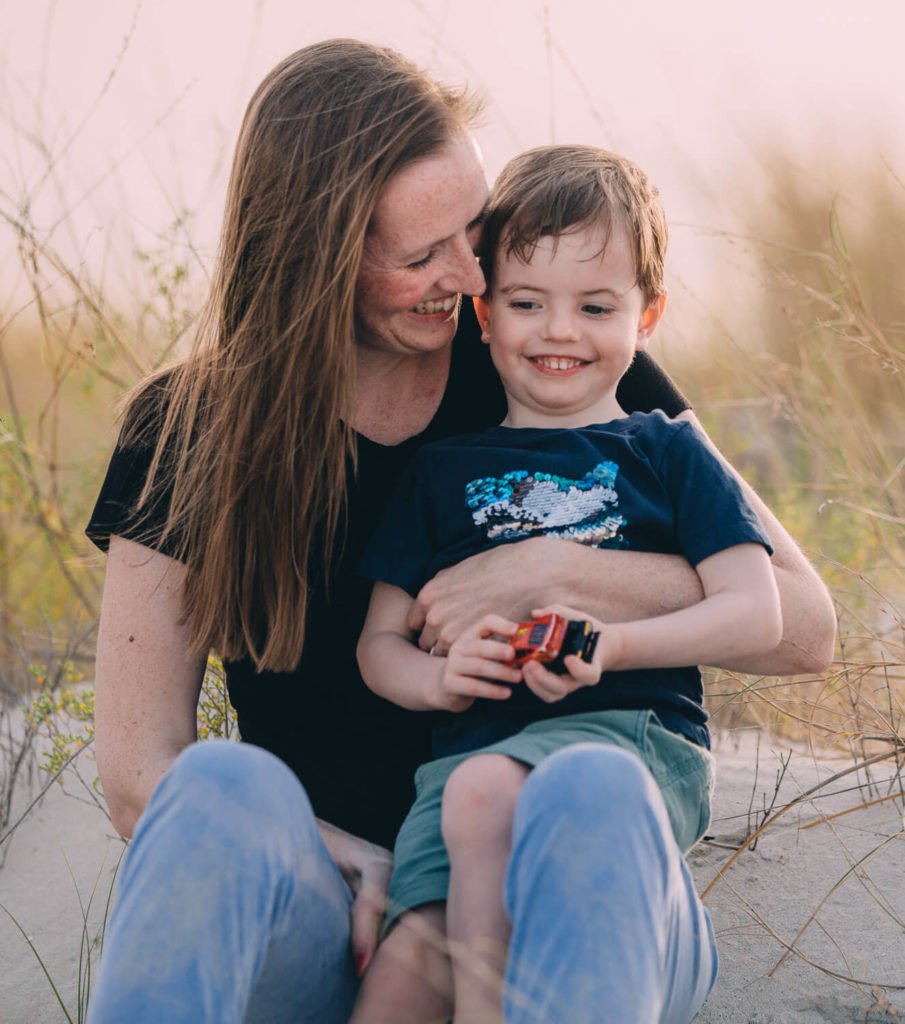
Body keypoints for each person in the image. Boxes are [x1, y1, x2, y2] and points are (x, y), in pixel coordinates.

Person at [83, 39, 835, 1024]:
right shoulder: (188, 431)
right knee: (222, 784)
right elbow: (143, 777)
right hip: (343, 917)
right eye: (423, 254)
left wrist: (551, 566)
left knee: (593, 791)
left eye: (474, 229)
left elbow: (802, 625)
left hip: (573, 909)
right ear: (319, 259)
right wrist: (363, 865)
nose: (474, 272)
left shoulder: (551, 359)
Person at [349, 144, 782, 1023]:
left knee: (489, 799)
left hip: (626, 744)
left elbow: (757, 613)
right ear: (483, 314)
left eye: (594, 306)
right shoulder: (439, 471)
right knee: (400, 978)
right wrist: (439, 679)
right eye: (525, 303)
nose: (558, 332)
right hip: (464, 760)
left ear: (646, 316)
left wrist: (614, 643)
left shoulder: (666, 450)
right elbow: (378, 643)